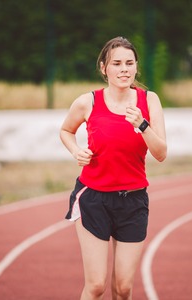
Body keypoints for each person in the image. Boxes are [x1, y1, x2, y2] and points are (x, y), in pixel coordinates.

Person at [60, 36, 167, 300]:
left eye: (129, 63)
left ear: (136, 67)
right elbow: (65, 130)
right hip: (94, 198)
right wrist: (76, 151)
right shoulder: (88, 102)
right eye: (117, 63)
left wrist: (142, 125)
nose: (124, 69)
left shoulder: (149, 101)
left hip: (133, 201)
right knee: (96, 285)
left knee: (123, 288)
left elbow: (161, 153)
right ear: (103, 68)